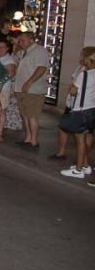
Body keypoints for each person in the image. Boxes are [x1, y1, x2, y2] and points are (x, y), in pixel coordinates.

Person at [56, 47, 95, 180]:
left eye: (83, 56)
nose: (81, 58)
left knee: (80, 140)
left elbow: (73, 91)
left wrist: (72, 88)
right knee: (86, 137)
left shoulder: (84, 74)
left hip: (81, 110)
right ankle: (84, 165)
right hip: (91, 109)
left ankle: (78, 169)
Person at [13, 31, 50, 151]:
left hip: (33, 90)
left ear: (31, 40)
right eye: (20, 40)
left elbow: (42, 68)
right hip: (21, 88)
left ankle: (34, 140)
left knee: (32, 115)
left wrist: (29, 82)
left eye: (23, 40)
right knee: (25, 115)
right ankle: (28, 138)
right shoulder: (24, 52)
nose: (20, 42)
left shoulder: (40, 51)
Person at [0, 39, 19, 142]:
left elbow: (11, 73)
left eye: (2, 47)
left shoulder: (9, 60)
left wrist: (0, 83)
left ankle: (0, 133)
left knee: (1, 109)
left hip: (3, 89)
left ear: (7, 49)